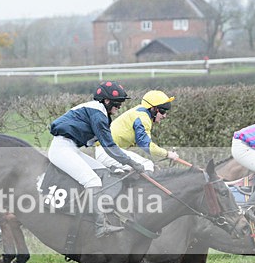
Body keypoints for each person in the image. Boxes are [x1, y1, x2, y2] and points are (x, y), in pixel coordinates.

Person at [48, 81, 146, 237]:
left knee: (103, 172)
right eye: (117, 103)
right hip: (61, 149)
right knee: (92, 182)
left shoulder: (99, 112)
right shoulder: (98, 114)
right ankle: (100, 226)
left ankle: (103, 213)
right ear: (106, 101)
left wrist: (117, 168)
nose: (119, 106)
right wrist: (133, 163)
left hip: (70, 148)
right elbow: (110, 147)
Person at [95, 89, 180, 173]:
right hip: (108, 153)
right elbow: (147, 146)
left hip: (108, 152)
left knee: (141, 166)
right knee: (146, 165)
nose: (164, 116)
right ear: (153, 109)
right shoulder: (143, 118)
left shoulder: (140, 111)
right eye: (162, 111)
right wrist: (167, 154)